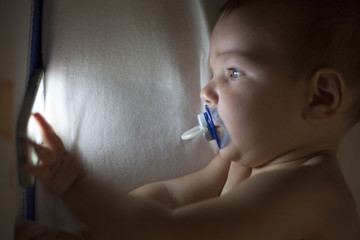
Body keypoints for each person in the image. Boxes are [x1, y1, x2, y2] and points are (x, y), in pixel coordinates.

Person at [16, 0, 360, 239]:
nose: (207, 90)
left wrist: (75, 184)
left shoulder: (311, 193)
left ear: (321, 97)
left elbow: (168, 232)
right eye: (214, 72)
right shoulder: (244, 163)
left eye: (234, 71)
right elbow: (168, 198)